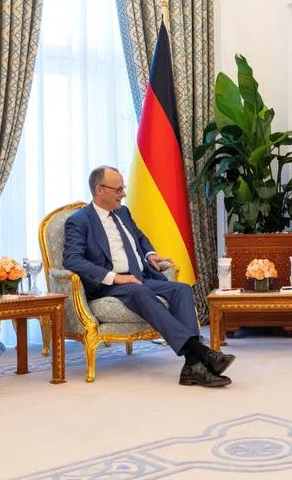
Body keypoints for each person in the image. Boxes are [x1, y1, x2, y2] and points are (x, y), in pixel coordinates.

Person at [63, 165, 235, 388]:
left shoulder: (123, 212)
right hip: (109, 285)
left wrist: (150, 254)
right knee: (138, 290)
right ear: (99, 190)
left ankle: (192, 366)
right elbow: (72, 260)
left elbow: (140, 237)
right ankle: (201, 352)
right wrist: (115, 277)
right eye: (118, 190)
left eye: (123, 188)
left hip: (139, 276)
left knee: (181, 289)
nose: (123, 194)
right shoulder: (79, 221)